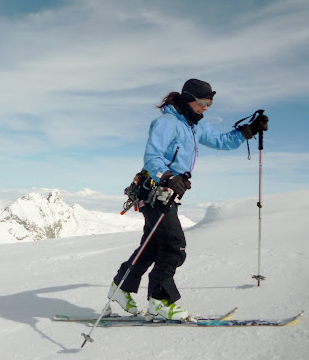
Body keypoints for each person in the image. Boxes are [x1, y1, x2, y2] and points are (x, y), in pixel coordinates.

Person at [108, 79, 269, 320]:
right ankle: (160, 301)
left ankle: (121, 288)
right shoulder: (166, 123)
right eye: (202, 103)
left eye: (209, 105)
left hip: (166, 193)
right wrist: (169, 177)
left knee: (152, 246)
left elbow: (221, 141)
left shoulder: (193, 126)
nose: (205, 108)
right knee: (174, 244)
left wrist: (249, 130)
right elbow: (152, 157)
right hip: (154, 191)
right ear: (187, 99)